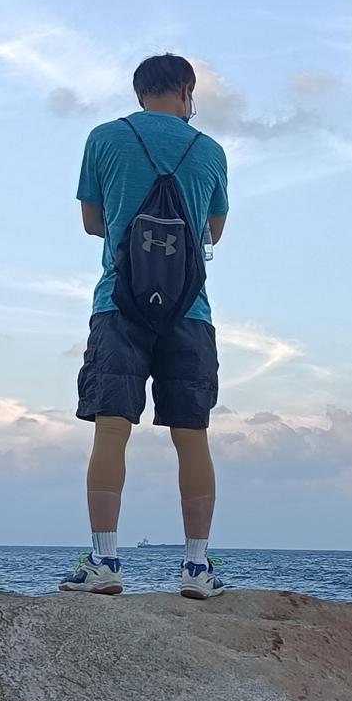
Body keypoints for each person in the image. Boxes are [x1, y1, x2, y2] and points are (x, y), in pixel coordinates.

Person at [59, 52, 229, 600]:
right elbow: (213, 232)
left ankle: (105, 561)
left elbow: (92, 222)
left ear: (139, 94)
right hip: (189, 310)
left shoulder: (105, 138)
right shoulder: (210, 151)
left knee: (111, 429)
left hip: (119, 302)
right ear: (186, 91)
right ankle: (196, 569)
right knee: (191, 434)